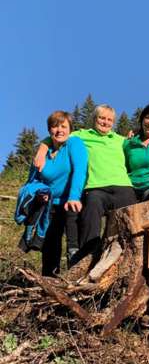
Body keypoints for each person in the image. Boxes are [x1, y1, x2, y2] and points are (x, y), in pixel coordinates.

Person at [34, 104, 137, 259]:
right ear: (94, 119)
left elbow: (139, 144)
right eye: (102, 118)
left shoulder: (120, 140)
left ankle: (128, 259)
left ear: (113, 123)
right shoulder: (81, 135)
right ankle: (87, 257)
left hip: (123, 186)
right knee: (89, 218)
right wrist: (42, 151)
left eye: (109, 120)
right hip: (96, 188)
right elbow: (58, 133)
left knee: (130, 225)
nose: (105, 122)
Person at [21, 111, 88, 275]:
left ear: (70, 129)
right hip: (50, 205)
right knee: (50, 246)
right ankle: (50, 281)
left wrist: (74, 196)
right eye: (54, 126)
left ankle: (76, 278)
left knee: (73, 243)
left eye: (63, 126)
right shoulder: (42, 155)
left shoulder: (74, 143)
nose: (59, 130)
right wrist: (39, 192)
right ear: (49, 130)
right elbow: (32, 181)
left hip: (71, 201)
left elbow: (80, 171)